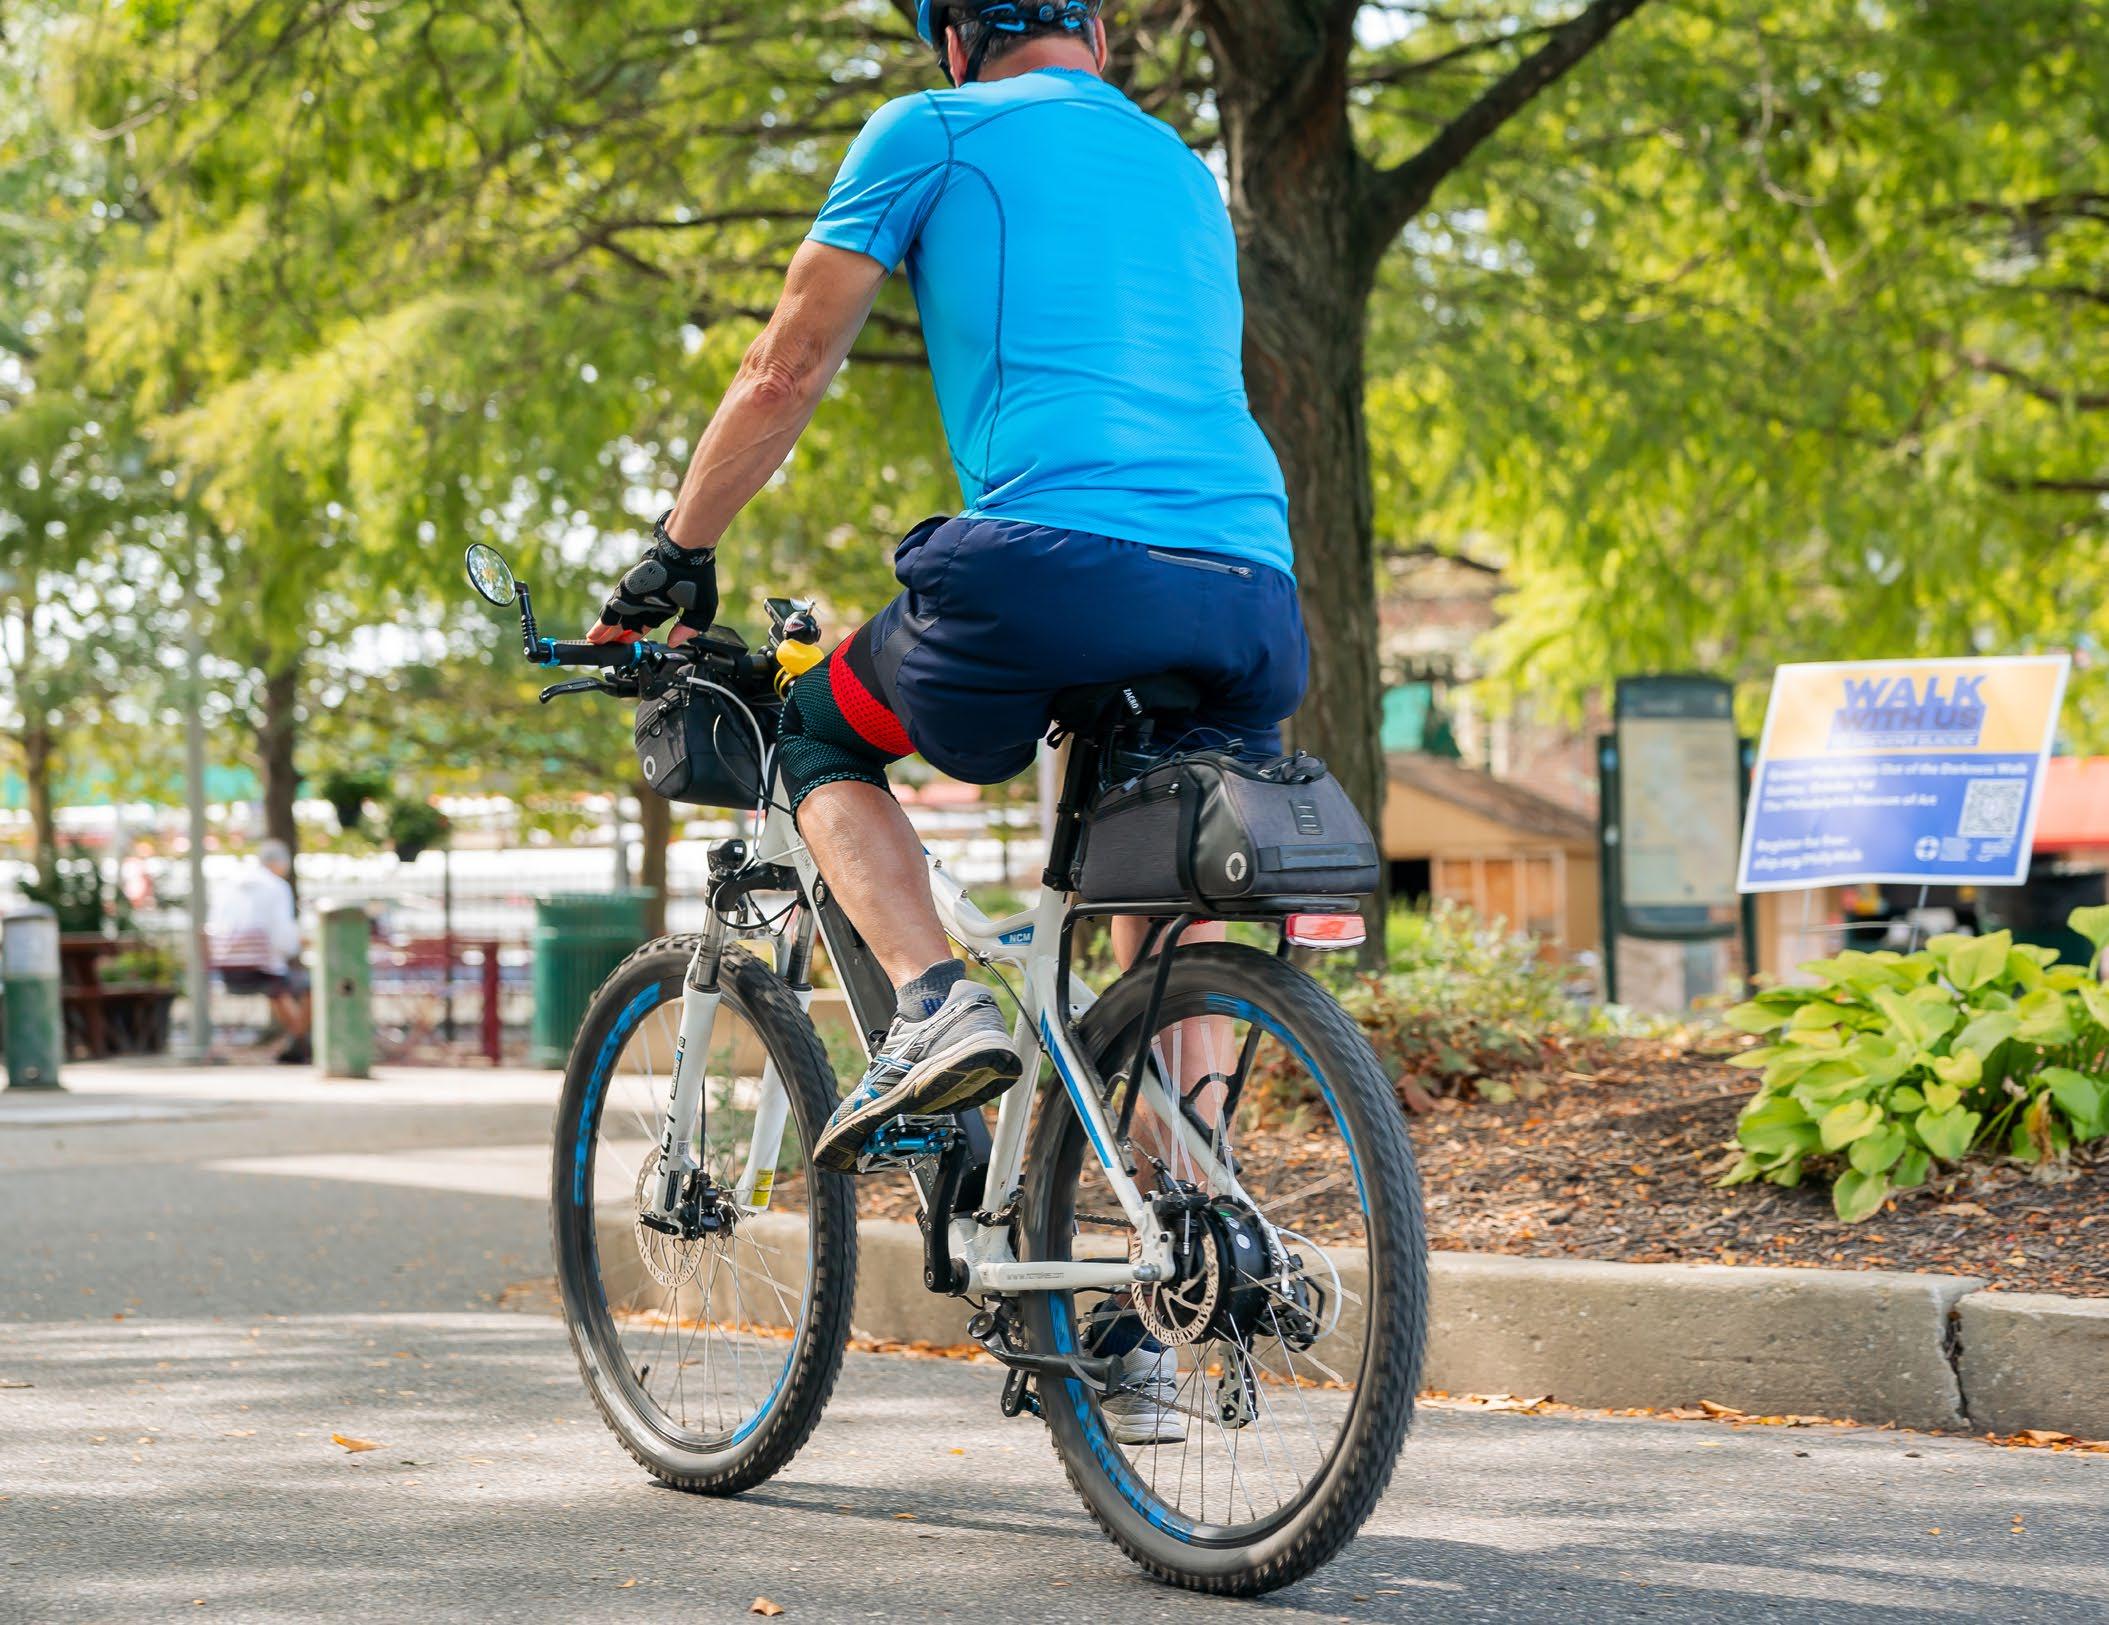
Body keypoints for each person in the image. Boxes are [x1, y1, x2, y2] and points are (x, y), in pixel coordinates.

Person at [590, 1, 1307, 1440]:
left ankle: (932, 1000)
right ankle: (1170, 1263)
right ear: (1092, 31)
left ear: (957, 38)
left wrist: (676, 552)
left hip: (1051, 574)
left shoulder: (930, 130)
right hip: (1250, 595)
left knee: (814, 732)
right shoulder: (1181, 168)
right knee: (1155, 906)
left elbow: (783, 368)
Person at [207, 838, 312, 1064]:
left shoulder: (227, 886)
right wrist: (298, 944)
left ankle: (297, 1043)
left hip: (226, 971)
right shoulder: (276, 887)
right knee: (308, 986)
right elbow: (283, 940)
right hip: (263, 972)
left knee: (280, 986)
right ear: (279, 863)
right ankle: (301, 1042)